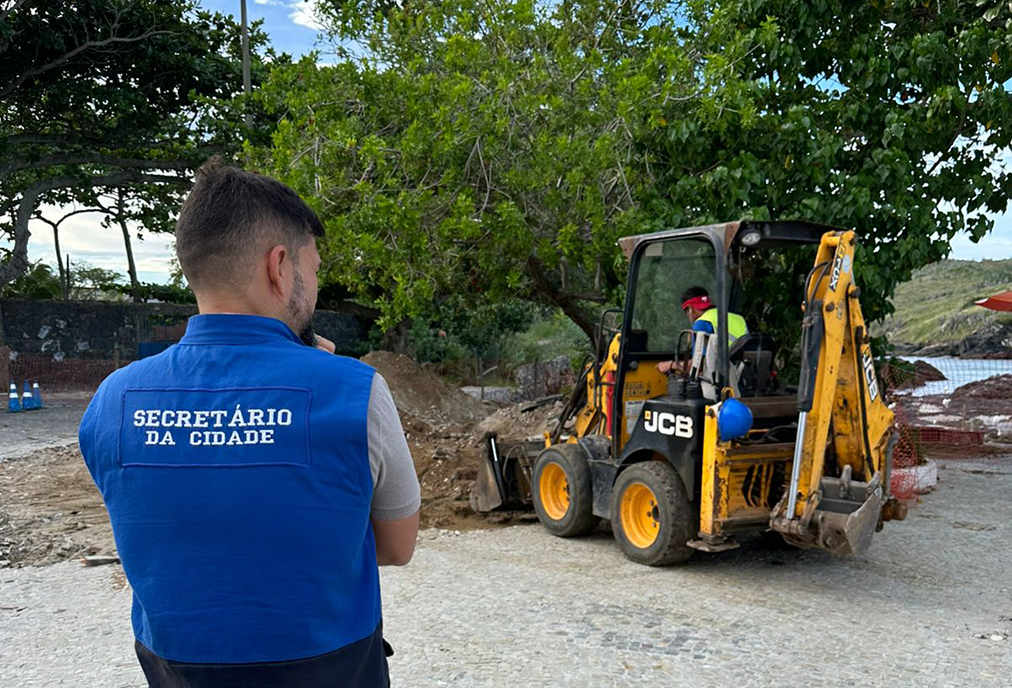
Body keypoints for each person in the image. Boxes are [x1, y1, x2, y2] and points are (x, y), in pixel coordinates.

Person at [78, 158, 420, 688]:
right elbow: (397, 547)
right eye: (314, 268)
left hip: (177, 669)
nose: (314, 282)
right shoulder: (355, 392)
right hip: (331, 666)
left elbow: (160, 524)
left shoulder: (111, 401)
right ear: (279, 267)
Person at [656, 286, 748, 374]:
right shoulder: (738, 318)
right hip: (744, 376)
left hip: (723, 380)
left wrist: (670, 365)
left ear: (690, 309)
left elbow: (699, 365)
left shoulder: (701, 323)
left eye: (686, 311)